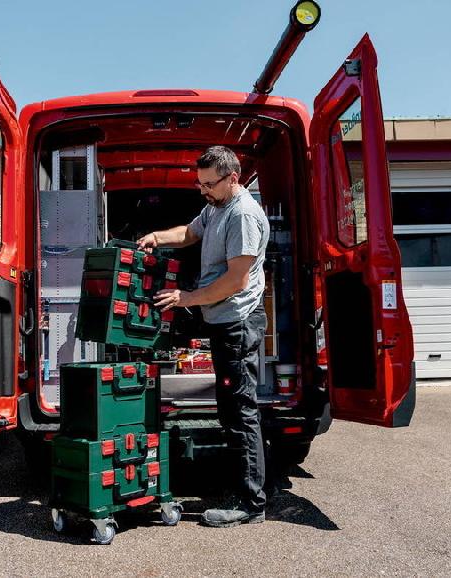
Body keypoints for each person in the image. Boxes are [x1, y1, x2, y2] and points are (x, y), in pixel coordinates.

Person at [137, 145, 270, 527]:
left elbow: (235, 280)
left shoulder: (242, 214)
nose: (203, 190)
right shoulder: (215, 207)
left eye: (209, 184)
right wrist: (158, 238)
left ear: (233, 177)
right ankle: (244, 491)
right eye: (200, 184)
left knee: (241, 412)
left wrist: (186, 299)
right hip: (221, 318)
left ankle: (251, 504)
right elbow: (190, 232)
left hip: (237, 323)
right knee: (231, 409)